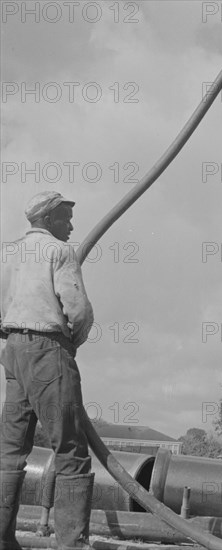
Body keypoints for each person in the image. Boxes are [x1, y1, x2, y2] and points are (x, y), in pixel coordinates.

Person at [0, 191, 95, 550]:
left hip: (13, 351)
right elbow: (79, 310)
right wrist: (72, 342)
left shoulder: (7, 252)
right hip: (48, 350)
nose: (70, 226)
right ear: (48, 219)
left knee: (10, 450)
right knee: (70, 449)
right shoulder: (60, 251)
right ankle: (72, 545)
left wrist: (11, 338)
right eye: (65, 218)